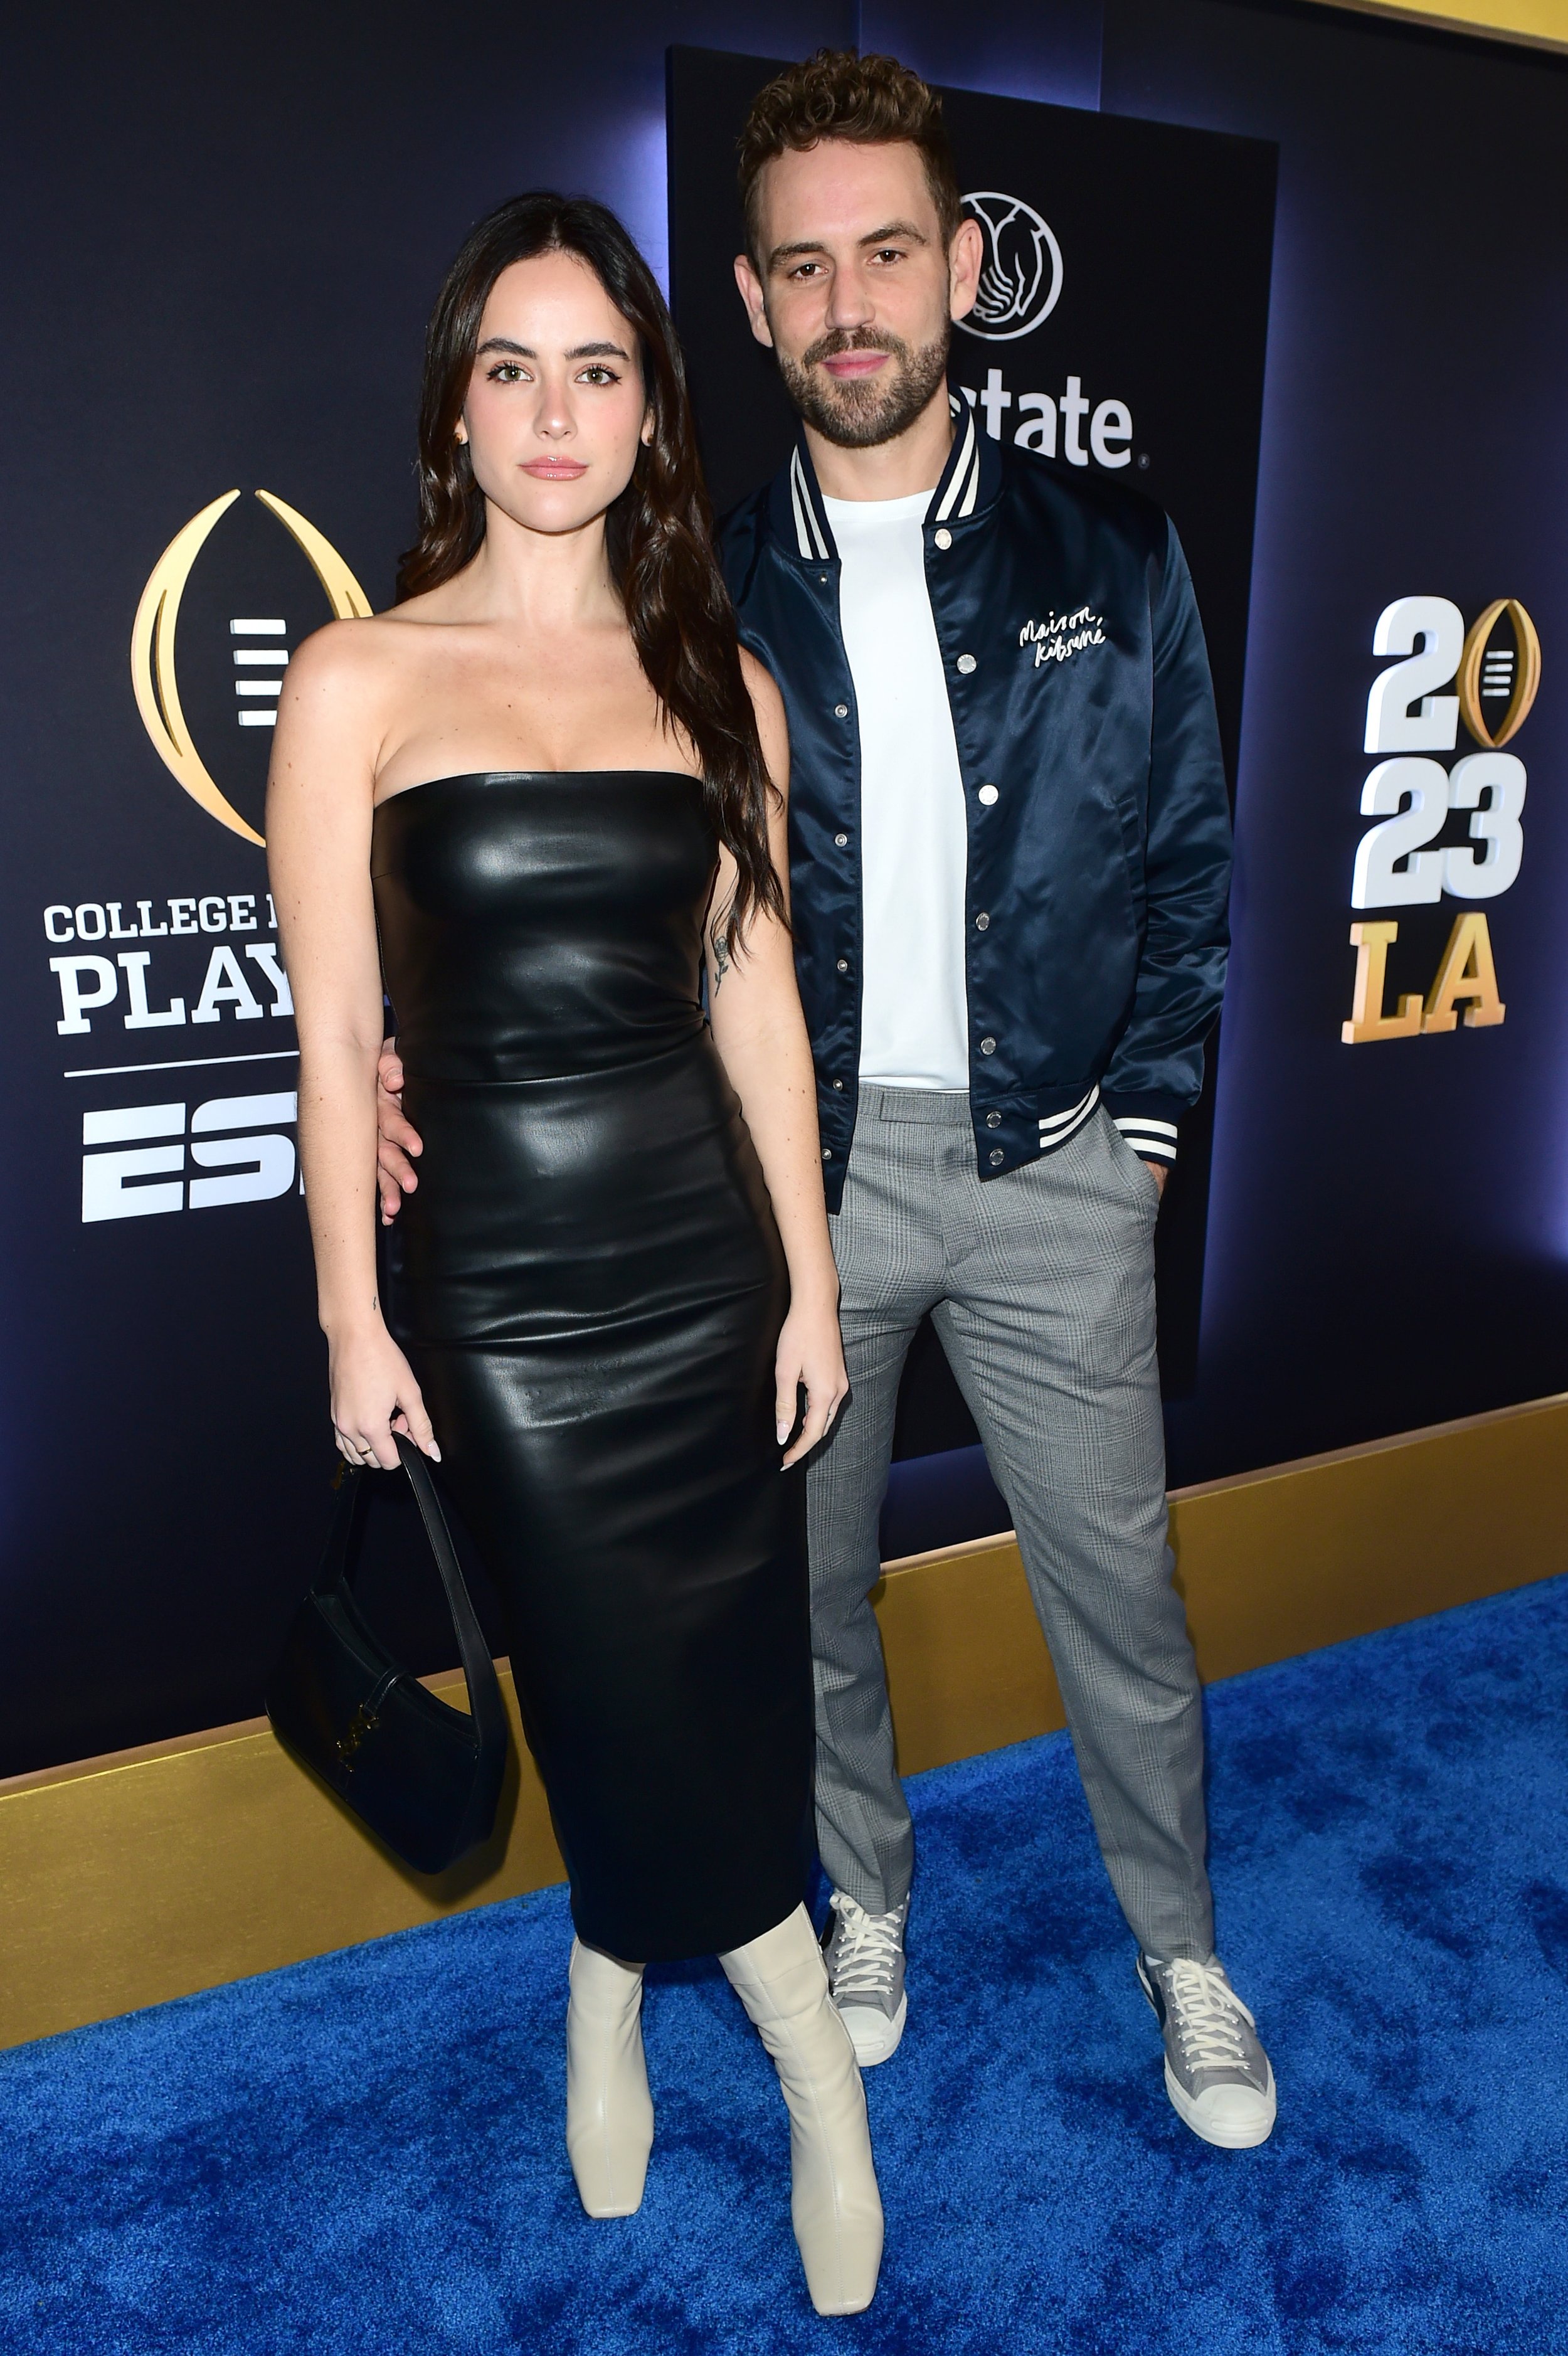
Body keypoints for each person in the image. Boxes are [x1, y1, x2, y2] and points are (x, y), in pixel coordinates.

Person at [379, 54, 1276, 2152]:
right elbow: (562, 864)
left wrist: (1140, 1137)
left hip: (1058, 1169)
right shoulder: (694, 601)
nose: (849, 302)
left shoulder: (1114, 546)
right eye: (804, 267)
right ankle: (857, 1895)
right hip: (793, 1189)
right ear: (751, 302)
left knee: (1122, 1601)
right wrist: (419, 1048)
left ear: (962, 267)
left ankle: (1180, 1948)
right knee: (799, 1601)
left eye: (887, 253)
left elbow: (1187, 866)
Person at [268, 191, 881, 2316]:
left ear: (648, 414)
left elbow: (757, 1003)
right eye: (512, 367)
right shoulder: (355, 675)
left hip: (701, 1262)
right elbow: (334, 1039)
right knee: (613, 1683)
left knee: (716, 1675)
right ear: (456, 407)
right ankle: (812, 2062)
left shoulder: (720, 680)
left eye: (597, 370)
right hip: (502, 1300)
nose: (553, 410)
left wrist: (810, 1282)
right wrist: (351, 1317)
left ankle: (620, 1998)